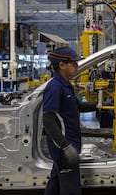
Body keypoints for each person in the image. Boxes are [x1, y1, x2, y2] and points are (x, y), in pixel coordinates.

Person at [43, 46, 95, 195]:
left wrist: (100, 106)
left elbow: (77, 107)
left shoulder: (65, 85)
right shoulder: (54, 87)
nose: (77, 66)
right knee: (70, 189)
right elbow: (48, 119)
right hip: (64, 148)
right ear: (62, 65)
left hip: (69, 144)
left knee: (55, 185)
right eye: (74, 63)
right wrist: (65, 146)